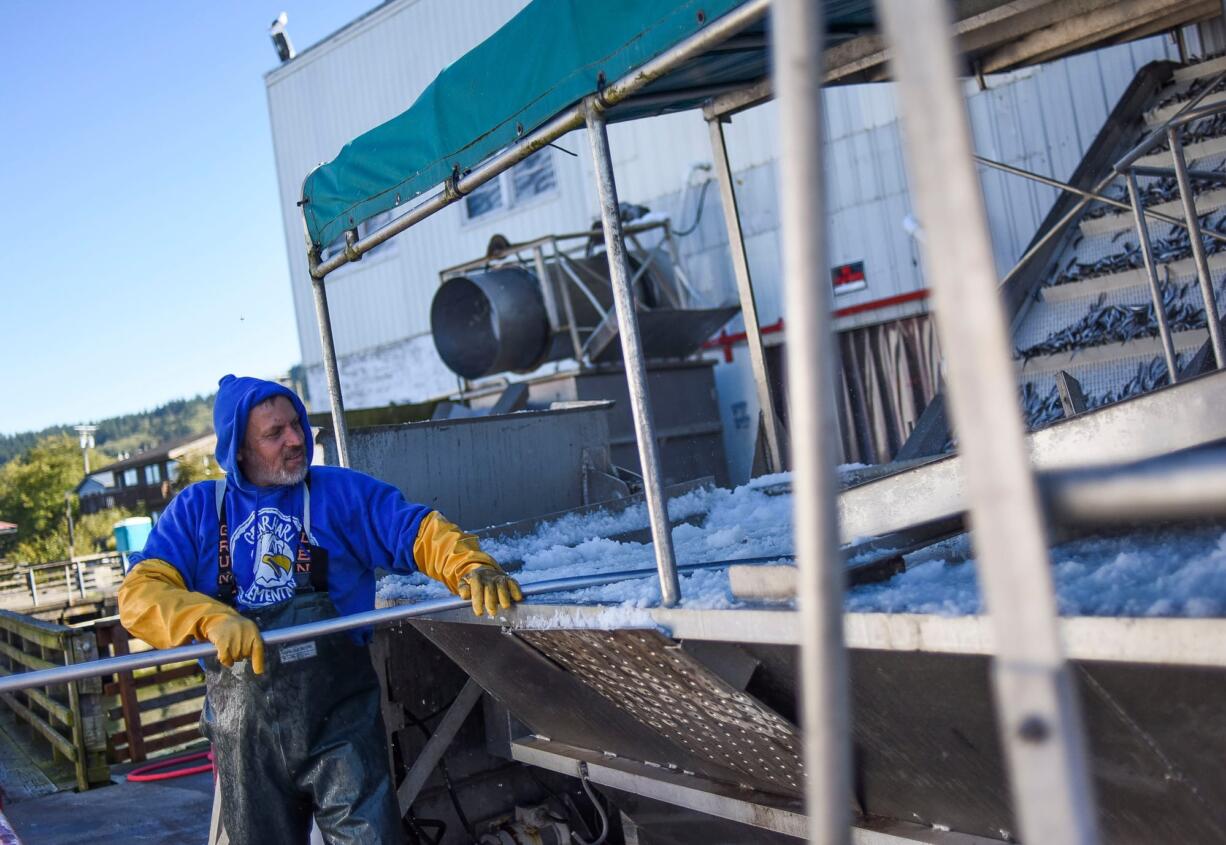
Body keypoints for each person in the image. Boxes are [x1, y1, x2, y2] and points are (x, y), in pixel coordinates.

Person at [118, 374, 523, 843]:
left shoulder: (342, 494)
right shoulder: (196, 511)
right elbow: (140, 594)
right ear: (238, 451)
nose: (296, 439)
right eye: (274, 433)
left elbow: (416, 531)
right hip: (246, 742)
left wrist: (469, 565)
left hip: (341, 727)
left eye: (296, 424)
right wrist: (207, 618)